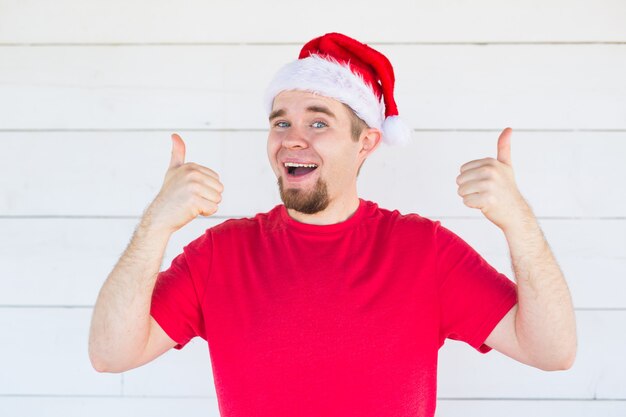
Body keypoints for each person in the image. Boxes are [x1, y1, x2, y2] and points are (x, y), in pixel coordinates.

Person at [88, 33, 577, 417]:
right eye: (281, 123)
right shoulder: (221, 252)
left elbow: (553, 351)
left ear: (366, 142)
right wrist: (156, 223)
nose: (292, 140)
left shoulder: (424, 251)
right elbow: (111, 354)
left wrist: (519, 222)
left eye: (318, 123)